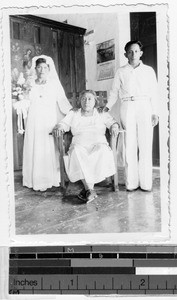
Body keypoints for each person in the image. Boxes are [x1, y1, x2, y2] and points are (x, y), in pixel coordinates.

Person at [104, 40, 159, 192]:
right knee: (130, 145)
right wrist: (107, 106)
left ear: (141, 53)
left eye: (136, 51)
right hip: (127, 106)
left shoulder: (149, 70)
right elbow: (114, 92)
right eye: (130, 51)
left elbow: (154, 92)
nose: (133, 54)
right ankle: (131, 183)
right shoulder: (121, 71)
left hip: (144, 106)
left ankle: (146, 183)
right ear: (125, 54)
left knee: (145, 144)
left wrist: (155, 112)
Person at [53, 90, 119, 203]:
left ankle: (88, 190)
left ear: (95, 101)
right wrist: (59, 126)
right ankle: (90, 190)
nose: (86, 101)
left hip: (99, 143)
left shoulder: (101, 113)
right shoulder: (74, 113)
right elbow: (63, 123)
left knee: (102, 151)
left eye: (89, 99)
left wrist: (114, 126)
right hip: (79, 144)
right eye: (83, 99)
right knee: (76, 153)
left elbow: (112, 122)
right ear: (79, 101)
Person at [23, 55, 72, 191]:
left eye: (45, 67)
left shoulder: (54, 84)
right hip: (34, 119)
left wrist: (72, 113)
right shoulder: (29, 84)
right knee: (35, 145)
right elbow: (25, 100)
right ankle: (34, 179)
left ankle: (50, 178)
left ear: (49, 69)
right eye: (39, 67)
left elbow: (62, 101)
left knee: (48, 146)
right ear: (35, 69)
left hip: (48, 119)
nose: (42, 70)